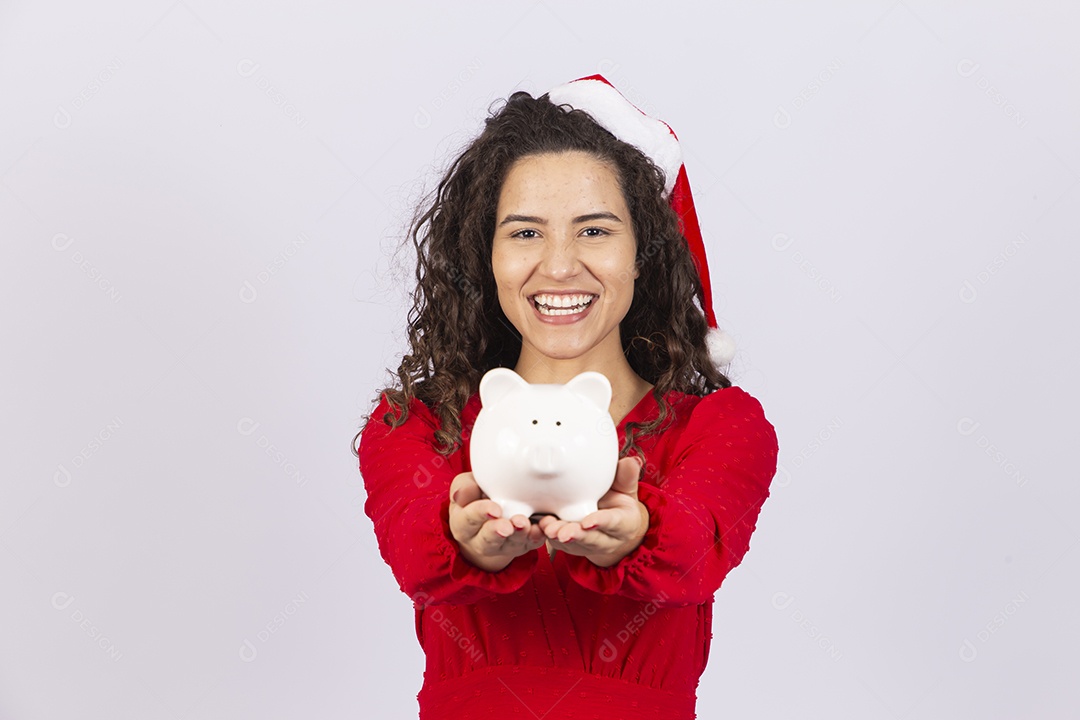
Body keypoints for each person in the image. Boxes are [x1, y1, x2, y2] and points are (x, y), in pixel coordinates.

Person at [352, 74, 779, 719]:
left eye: (595, 231)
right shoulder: (416, 426)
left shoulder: (720, 427)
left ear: (644, 254)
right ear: (485, 255)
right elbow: (415, 551)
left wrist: (637, 536)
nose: (557, 266)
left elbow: (693, 551)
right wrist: (466, 544)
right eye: (525, 233)